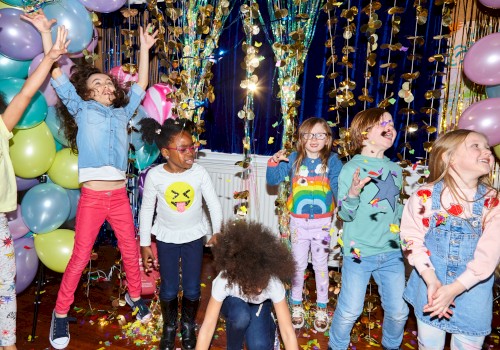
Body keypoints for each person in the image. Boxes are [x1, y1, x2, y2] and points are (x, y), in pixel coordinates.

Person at [22, 10, 159, 350]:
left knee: (130, 248)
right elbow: (54, 71)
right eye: (96, 83)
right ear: (84, 93)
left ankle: (132, 295)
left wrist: (144, 49)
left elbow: (140, 84)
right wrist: (45, 35)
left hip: (119, 197)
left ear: (114, 90)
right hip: (94, 198)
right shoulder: (82, 109)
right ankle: (60, 311)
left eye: (107, 82)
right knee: (80, 256)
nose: (104, 85)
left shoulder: (122, 113)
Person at [0, 26, 69, 350]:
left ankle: (8, 343)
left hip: (0, 224)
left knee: (4, 289)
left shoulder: (1, 127)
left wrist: (51, 57)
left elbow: (27, 92)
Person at [401, 129, 500, 350]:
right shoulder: (423, 196)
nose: (487, 151)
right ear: (449, 157)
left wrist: (454, 289)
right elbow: (411, 240)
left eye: (488, 147)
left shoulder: (493, 202)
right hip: (431, 290)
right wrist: (431, 280)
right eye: (476, 145)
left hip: (473, 294)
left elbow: (488, 256)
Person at [138, 118, 223, 350]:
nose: (190, 153)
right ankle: (169, 327)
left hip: (194, 238)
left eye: (192, 147)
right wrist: (145, 243)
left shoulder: (199, 173)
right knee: (169, 287)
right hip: (166, 238)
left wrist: (217, 232)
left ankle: (187, 326)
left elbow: (213, 204)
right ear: (166, 152)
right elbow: (147, 209)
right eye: (183, 149)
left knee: (193, 287)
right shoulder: (156, 176)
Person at [328, 108, 408, 350]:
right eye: (383, 122)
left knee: (399, 311)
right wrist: (352, 194)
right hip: (359, 252)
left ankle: (391, 346)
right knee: (350, 310)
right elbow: (344, 213)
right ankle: (336, 346)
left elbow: (396, 209)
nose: (390, 126)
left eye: (392, 122)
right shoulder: (351, 169)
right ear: (363, 136)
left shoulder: (396, 170)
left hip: (392, 251)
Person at [266, 117, 342, 331]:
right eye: (308, 134)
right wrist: (273, 162)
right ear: (301, 138)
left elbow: (336, 185)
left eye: (320, 134)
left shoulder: (333, 161)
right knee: (298, 265)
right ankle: (296, 305)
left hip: (323, 224)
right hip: (298, 224)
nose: (314, 139)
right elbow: (273, 180)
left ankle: (321, 307)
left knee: (320, 265)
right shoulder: (292, 159)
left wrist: (343, 208)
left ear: (328, 139)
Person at [196, 220, 298, 350]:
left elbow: (288, 332)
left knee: (258, 346)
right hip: (234, 304)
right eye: (255, 286)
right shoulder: (225, 280)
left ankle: (268, 323)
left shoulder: (274, 283)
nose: (260, 289)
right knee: (241, 316)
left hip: (259, 306)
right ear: (242, 278)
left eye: (263, 283)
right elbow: (208, 327)